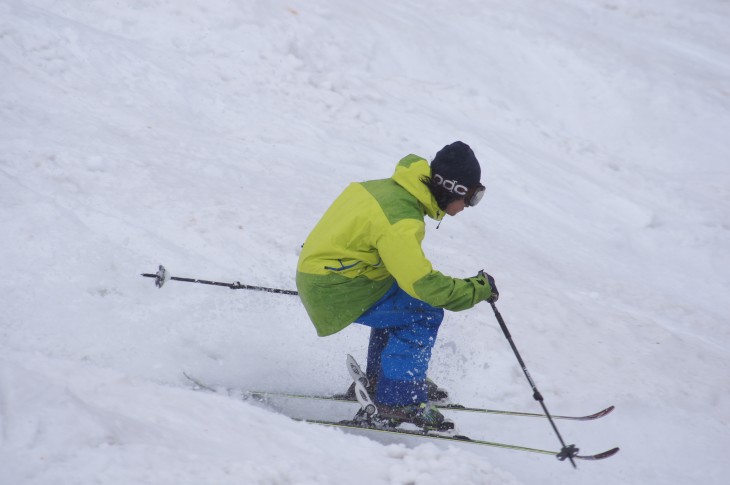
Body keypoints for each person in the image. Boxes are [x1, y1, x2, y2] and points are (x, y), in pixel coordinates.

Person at [296, 141, 498, 430]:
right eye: (470, 197)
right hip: (336, 285)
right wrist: (476, 289)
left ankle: (384, 380)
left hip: (326, 275)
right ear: (450, 188)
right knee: (424, 312)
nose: (468, 206)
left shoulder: (386, 191)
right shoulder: (401, 219)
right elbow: (425, 285)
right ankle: (398, 400)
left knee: (403, 301)